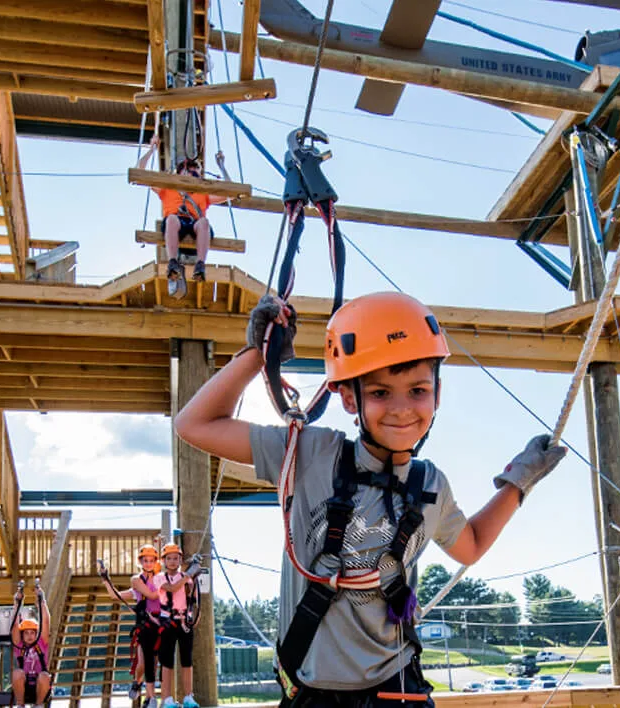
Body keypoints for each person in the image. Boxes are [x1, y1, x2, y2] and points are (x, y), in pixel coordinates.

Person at [174, 291, 568, 708]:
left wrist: (518, 482)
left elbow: (468, 545)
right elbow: (194, 424)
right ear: (349, 398)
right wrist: (259, 353)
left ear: (437, 393)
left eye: (417, 390)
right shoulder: (311, 453)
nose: (401, 408)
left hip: (397, 691)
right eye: (380, 393)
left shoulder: (429, 483)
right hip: (315, 695)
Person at [138, 138, 233, 294]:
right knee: (172, 220)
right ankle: (173, 262)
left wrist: (222, 167)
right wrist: (152, 149)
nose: (192, 173)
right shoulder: (168, 189)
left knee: (204, 223)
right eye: (188, 169)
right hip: (175, 224)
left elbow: (230, 193)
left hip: (194, 226)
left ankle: (201, 264)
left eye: (194, 170)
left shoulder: (202, 193)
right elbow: (140, 172)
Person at [101, 545, 164, 706]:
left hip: (160, 624)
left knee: (154, 663)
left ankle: (149, 697)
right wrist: (106, 581)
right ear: (141, 562)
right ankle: (138, 683)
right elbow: (116, 596)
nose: (148, 563)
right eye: (145, 560)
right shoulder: (137, 581)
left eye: (151, 561)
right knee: (143, 663)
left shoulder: (160, 579)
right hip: (145, 625)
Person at [152, 543, 202, 708]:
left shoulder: (188, 579)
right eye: (169, 559)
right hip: (168, 621)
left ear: (180, 560)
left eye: (176, 558)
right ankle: (167, 698)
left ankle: (189, 696)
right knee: (167, 661)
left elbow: (194, 599)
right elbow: (172, 588)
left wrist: (196, 617)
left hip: (184, 621)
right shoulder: (159, 577)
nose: (173, 562)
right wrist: (188, 573)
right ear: (164, 561)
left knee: (187, 660)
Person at [10, 601, 54, 708]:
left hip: (40, 687)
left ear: (36, 634)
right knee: (17, 673)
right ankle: (21, 705)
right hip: (24, 687)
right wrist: (17, 604)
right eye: (26, 633)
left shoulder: (41, 644)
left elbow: (46, 622)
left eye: (32, 633)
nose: (29, 636)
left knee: (45, 676)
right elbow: (15, 625)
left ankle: (38, 705)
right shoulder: (19, 645)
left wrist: (42, 602)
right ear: (22, 635)